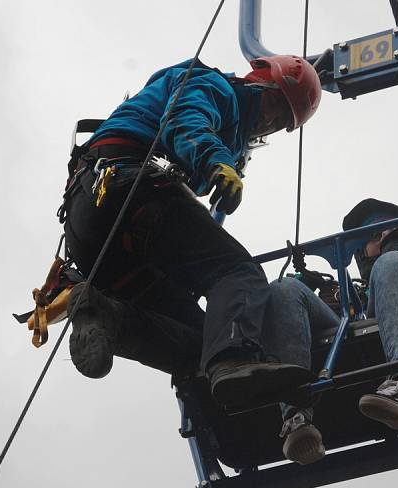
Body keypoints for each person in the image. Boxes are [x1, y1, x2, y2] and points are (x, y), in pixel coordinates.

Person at [59, 55, 322, 407]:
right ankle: (233, 361)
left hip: (93, 228)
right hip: (126, 188)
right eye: (274, 103)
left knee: (200, 344)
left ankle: (107, 317)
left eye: (280, 122)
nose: (270, 119)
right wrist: (216, 161)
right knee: (236, 272)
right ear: (258, 81)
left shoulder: (230, 132)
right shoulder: (215, 87)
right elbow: (185, 120)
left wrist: (225, 161)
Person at [262, 199, 398, 464]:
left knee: (392, 264)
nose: (382, 238)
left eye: (392, 231)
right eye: (373, 235)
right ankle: (296, 418)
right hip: (346, 338)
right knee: (282, 289)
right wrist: (305, 291)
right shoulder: (344, 295)